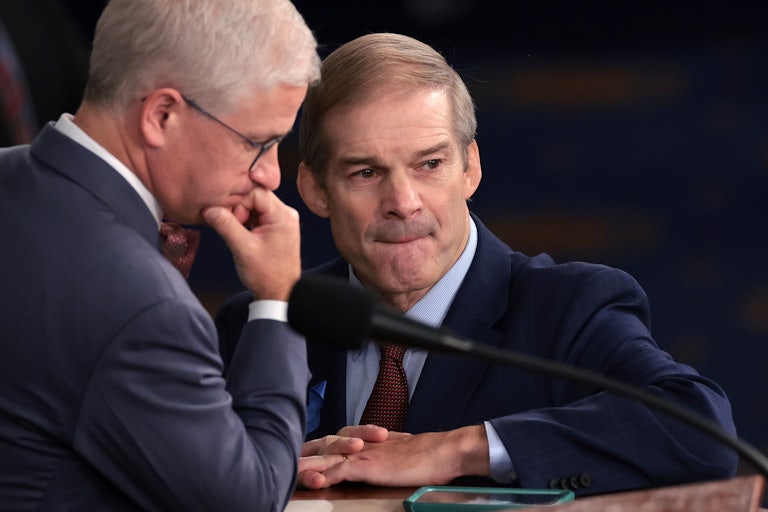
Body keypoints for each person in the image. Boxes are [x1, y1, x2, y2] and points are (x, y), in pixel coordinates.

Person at [216, 33, 738, 496]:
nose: (404, 201)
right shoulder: (261, 322)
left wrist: (453, 450)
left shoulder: (566, 306)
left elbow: (698, 429)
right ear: (314, 189)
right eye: (366, 172)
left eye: (430, 164)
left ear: (471, 169)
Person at [0, 0, 321, 509]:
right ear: (162, 115)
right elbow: (250, 500)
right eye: (259, 143)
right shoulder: (142, 307)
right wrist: (277, 299)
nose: (271, 175)